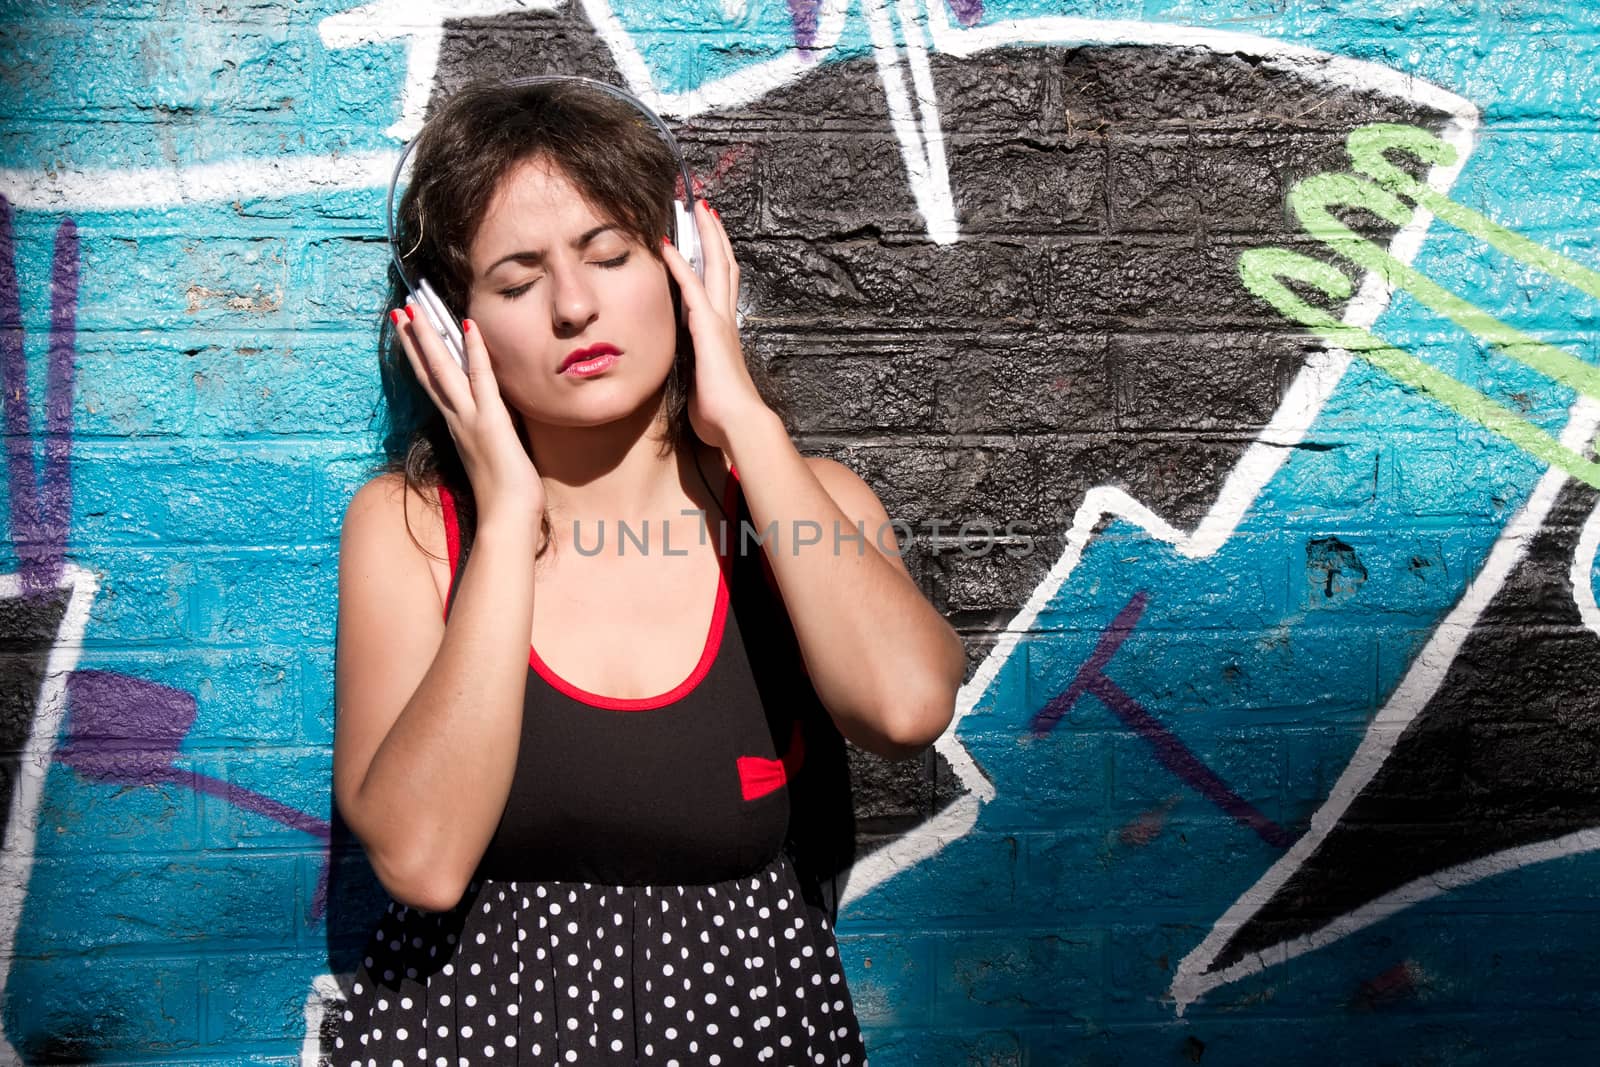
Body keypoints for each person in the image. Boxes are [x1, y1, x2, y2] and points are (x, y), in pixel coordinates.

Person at [328, 77, 967, 1065]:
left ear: (685, 261)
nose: (575, 306)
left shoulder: (802, 501)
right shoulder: (413, 530)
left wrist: (747, 423)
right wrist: (507, 521)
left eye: (610, 254)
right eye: (515, 279)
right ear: (450, 327)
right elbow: (421, 857)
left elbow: (904, 706)